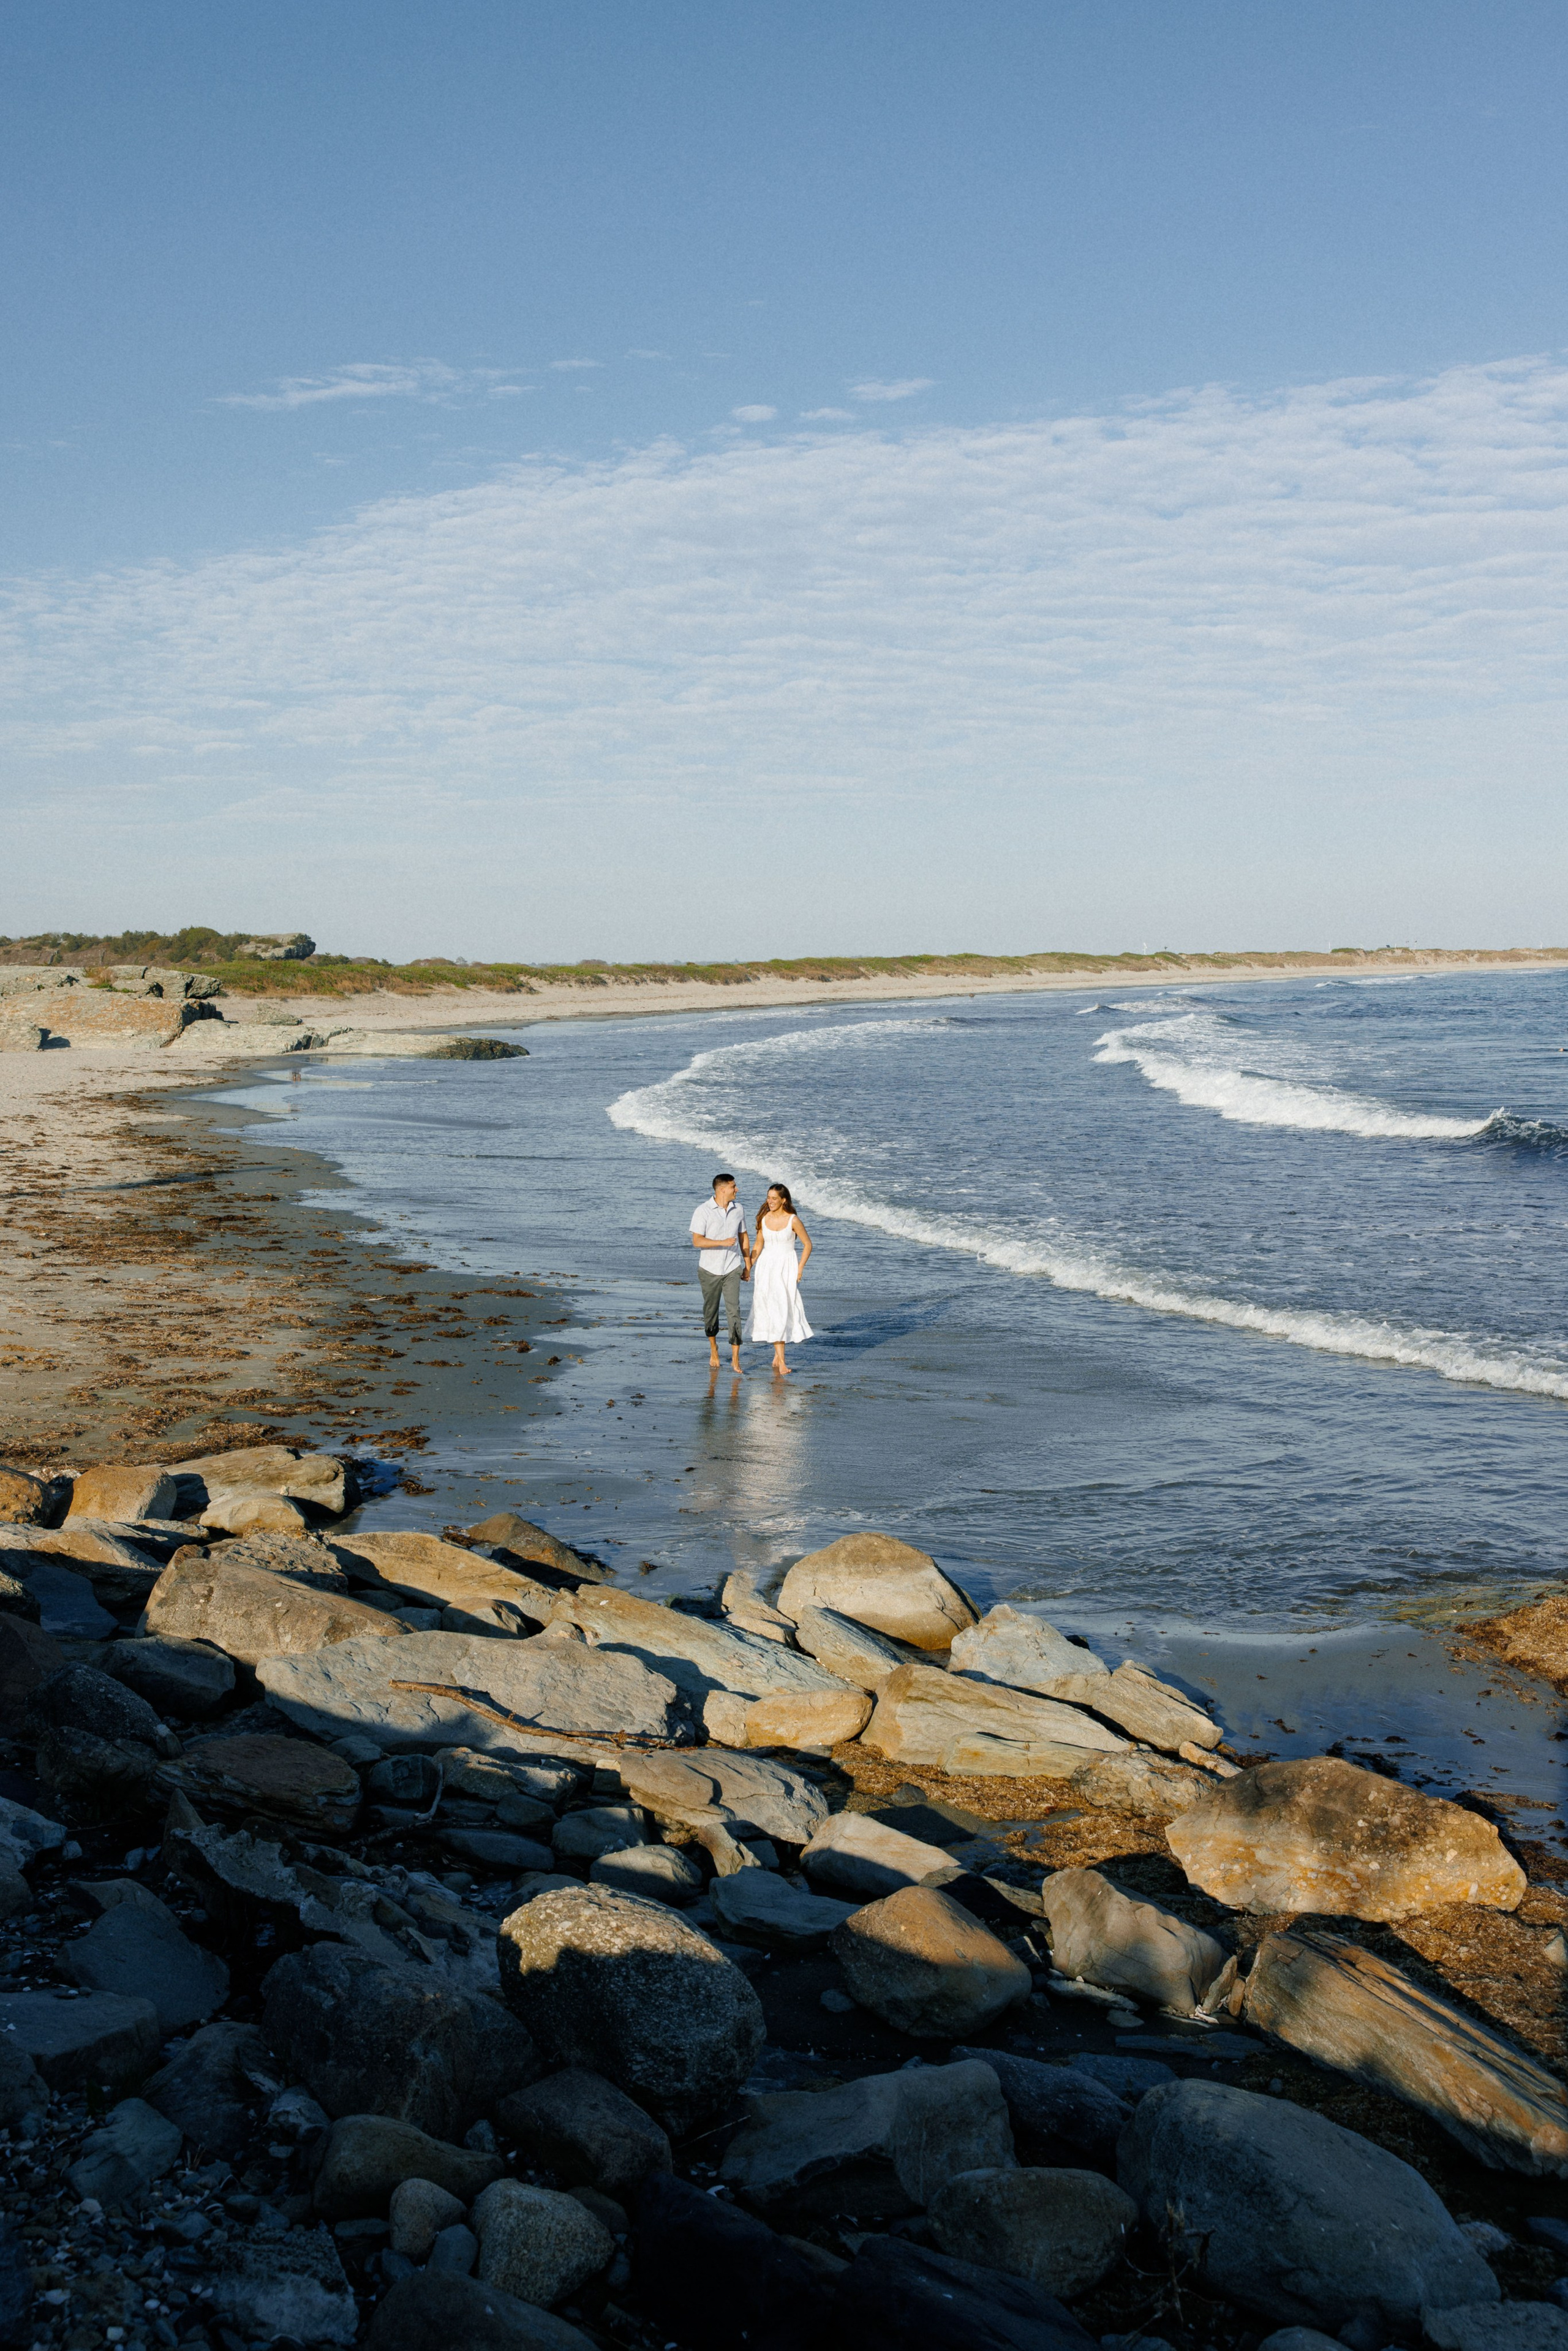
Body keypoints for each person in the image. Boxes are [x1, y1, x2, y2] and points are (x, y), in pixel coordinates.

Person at [745, 1182, 813, 1375]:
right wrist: (749, 1266)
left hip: (786, 1268)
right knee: (771, 1309)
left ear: (784, 1200)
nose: (770, 1201)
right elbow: (758, 1246)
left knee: (784, 1308)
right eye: (768, 1197)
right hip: (766, 1268)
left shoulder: (793, 1220)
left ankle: (779, 1352)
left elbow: (808, 1245)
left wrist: (800, 1268)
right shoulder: (764, 1218)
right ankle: (782, 1360)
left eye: (774, 1198)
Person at [690, 1172, 751, 1373]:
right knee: (711, 1311)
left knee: (734, 1311)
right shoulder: (703, 1211)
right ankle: (714, 1348)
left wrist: (748, 1265)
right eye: (734, 1186)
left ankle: (735, 1359)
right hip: (709, 1270)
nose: (737, 1189)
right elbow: (697, 1241)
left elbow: (743, 1237)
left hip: (732, 1268)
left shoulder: (738, 1209)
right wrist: (721, 1242)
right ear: (722, 1189)